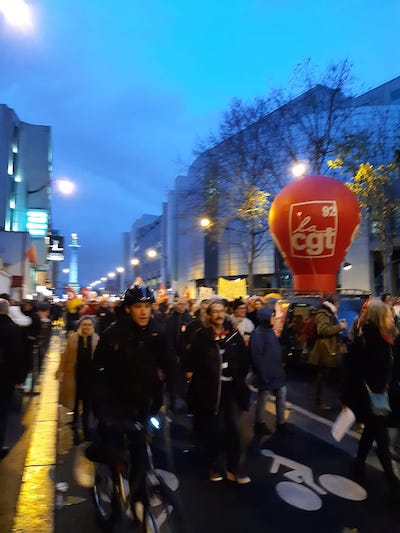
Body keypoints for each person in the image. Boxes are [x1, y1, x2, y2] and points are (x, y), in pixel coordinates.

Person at [88, 285, 172, 486]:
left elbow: (170, 364)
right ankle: (103, 470)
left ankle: (137, 500)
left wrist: (176, 395)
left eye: (147, 306)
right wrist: (102, 408)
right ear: (128, 309)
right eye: (137, 306)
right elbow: (97, 372)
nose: (143, 311)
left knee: (140, 453)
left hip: (142, 403)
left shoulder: (157, 333)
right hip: (114, 403)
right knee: (114, 453)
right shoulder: (112, 335)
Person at [185, 300, 250, 483]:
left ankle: (234, 468)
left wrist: (239, 376)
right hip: (209, 391)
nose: (219, 315)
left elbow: (243, 360)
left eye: (221, 311)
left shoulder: (233, 335)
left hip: (231, 390)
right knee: (212, 430)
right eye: (215, 312)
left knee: (234, 430)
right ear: (208, 314)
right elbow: (191, 362)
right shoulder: (200, 336)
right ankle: (213, 466)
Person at [341, 299, 400, 498]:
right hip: (368, 397)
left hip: (384, 396)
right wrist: (346, 400)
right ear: (380, 318)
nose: (392, 316)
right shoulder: (364, 341)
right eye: (388, 314)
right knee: (382, 441)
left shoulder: (390, 338)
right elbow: (351, 372)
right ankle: (393, 485)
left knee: (371, 431)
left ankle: (358, 464)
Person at [56, 316, 99, 443]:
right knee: (74, 402)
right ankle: (75, 427)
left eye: (89, 325)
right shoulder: (73, 338)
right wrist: (60, 370)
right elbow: (65, 355)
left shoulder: (96, 339)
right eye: (84, 325)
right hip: (74, 375)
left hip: (90, 377)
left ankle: (86, 430)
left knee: (87, 404)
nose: (86, 327)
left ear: (92, 327)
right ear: (80, 326)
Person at [250, 306, 288, 436]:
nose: (275, 318)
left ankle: (280, 423)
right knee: (262, 398)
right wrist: (261, 375)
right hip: (266, 374)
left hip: (276, 373)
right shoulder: (258, 334)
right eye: (272, 316)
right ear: (266, 318)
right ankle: (260, 424)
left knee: (278, 395)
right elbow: (256, 356)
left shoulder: (269, 331)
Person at [308, 294, 347, 410]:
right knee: (323, 376)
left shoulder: (330, 313)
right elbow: (322, 330)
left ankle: (339, 400)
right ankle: (319, 402)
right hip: (325, 349)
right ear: (333, 303)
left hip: (331, 348)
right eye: (337, 303)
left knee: (330, 375)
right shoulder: (323, 314)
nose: (339, 305)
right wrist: (340, 327)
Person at [0, 298, 25, 459]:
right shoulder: (13, 329)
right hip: (5, 378)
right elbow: (18, 356)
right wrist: (19, 378)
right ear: (8, 310)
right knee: (2, 412)